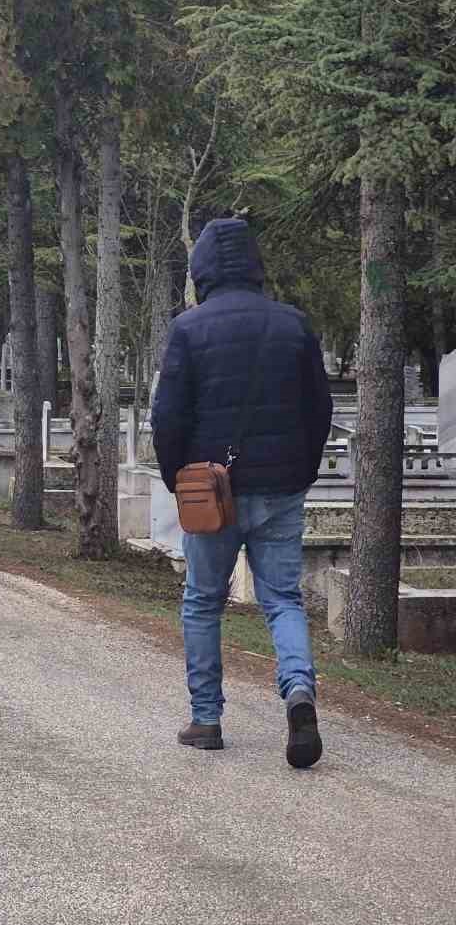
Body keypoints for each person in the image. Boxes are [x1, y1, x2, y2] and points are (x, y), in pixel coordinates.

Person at [151, 217, 333, 768]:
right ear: (255, 266)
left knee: (204, 601)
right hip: (281, 488)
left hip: (211, 491)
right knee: (282, 600)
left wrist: (178, 480)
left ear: (202, 267)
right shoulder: (295, 326)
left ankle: (206, 719)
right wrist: (300, 472)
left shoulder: (189, 328)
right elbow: (319, 410)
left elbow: (167, 418)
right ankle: (298, 692)